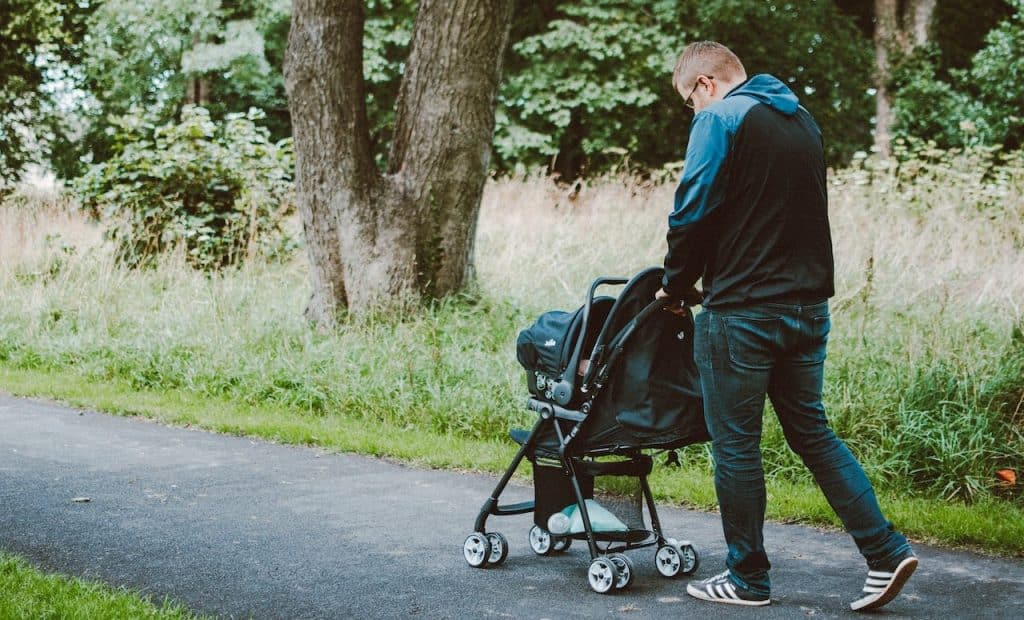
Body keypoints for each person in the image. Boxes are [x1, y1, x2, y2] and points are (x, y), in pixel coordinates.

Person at [654, 41, 917, 611]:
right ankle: (886, 551)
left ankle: (747, 579)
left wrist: (676, 287)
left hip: (743, 313)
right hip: (807, 309)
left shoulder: (721, 118)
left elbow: (691, 210)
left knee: (737, 448)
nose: (692, 114)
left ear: (704, 85)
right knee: (813, 434)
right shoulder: (802, 121)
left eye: (688, 102)